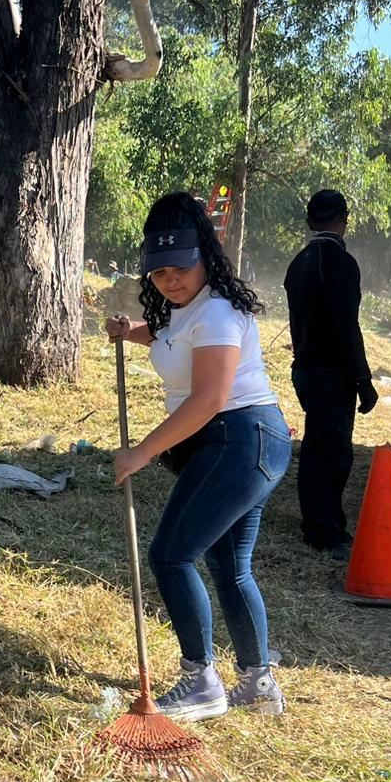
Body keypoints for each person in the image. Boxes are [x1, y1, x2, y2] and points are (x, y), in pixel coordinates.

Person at [105, 191, 291, 721]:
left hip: (239, 438)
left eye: (181, 267)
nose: (171, 279)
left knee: (171, 555)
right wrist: (130, 332)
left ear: (205, 256)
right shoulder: (188, 312)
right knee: (228, 564)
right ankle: (257, 684)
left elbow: (209, 399)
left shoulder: (216, 313)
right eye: (159, 272)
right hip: (249, 443)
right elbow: (170, 337)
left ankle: (200, 681)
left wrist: (142, 451)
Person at [283, 190, 378, 560]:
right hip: (331, 372)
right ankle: (322, 531)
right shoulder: (341, 263)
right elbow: (346, 325)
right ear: (344, 219)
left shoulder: (299, 262)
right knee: (332, 451)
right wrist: (363, 379)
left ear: (309, 222)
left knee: (317, 445)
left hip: (305, 368)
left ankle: (327, 521)